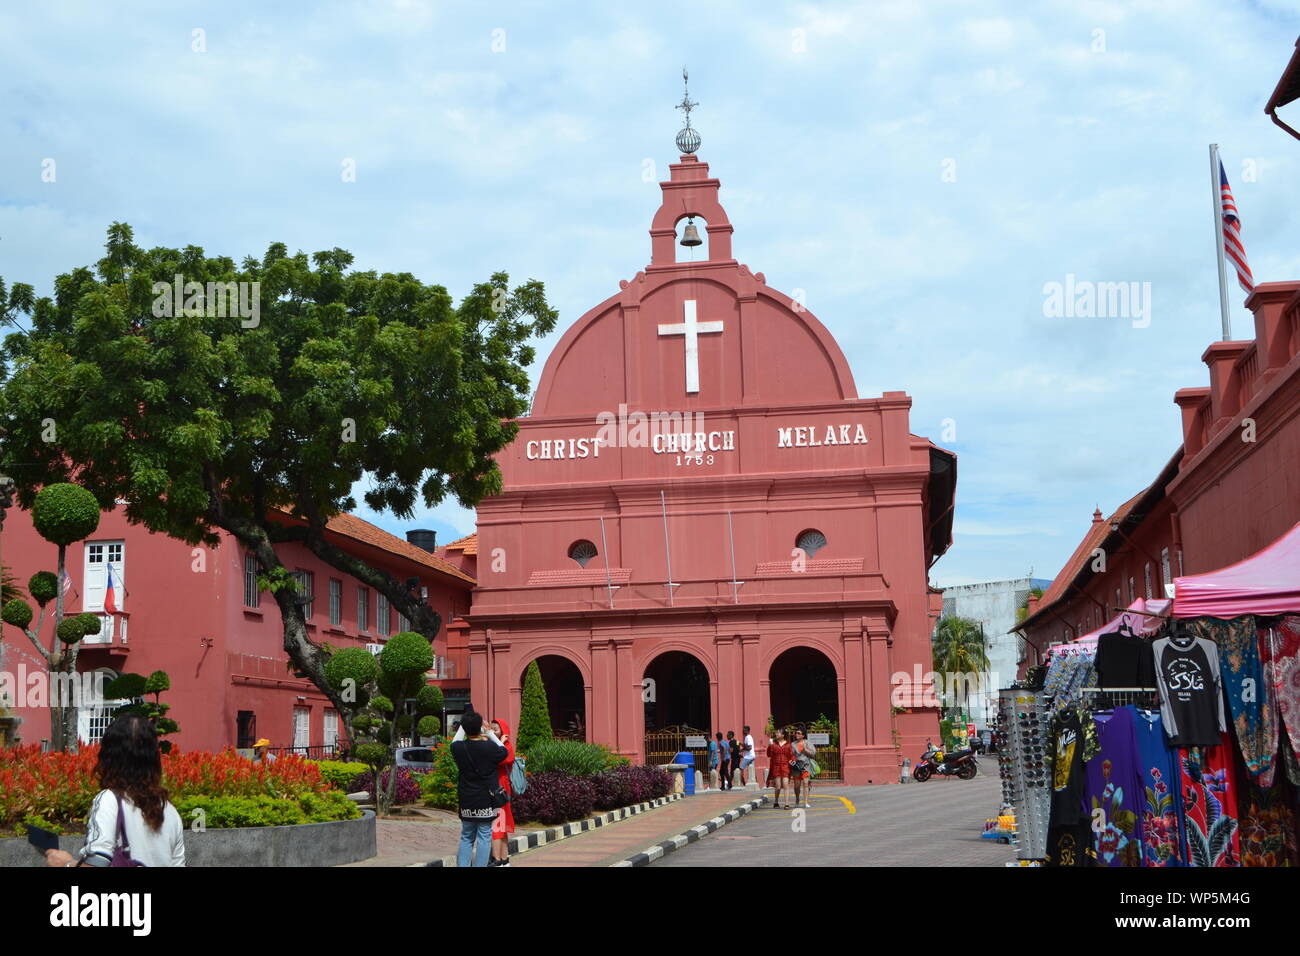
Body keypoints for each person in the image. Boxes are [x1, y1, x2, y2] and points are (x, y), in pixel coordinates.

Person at [46, 714, 185, 867]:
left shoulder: (109, 800)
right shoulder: (170, 812)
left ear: (108, 756)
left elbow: (96, 865)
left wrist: (65, 863)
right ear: (153, 759)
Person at [450, 712, 508, 868]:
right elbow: (504, 751)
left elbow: (455, 740)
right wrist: (490, 732)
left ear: (464, 728)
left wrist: (464, 726)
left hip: (466, 799)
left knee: (466, 836)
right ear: (480, 728)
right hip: (485, 799)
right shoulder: (489, 747)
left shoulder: (458, 748)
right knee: (484, 836)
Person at [489, 718, 515, 867]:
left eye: (496, 729)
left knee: (497, 826)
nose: (493, 732)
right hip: (497, 789)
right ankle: (504, 859)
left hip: (500, 790)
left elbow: (499, 759)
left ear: (504, 732)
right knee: (501, 826)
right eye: (491, 729)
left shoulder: (506, 747)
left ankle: (497, 860)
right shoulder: (498, 746)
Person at [765, 728, 793, 809]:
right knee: (777, 786)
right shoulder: (773, 744)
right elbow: (768, 755)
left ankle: (786, 804)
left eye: (778, 733)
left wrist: (792, 761)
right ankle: (776, 801)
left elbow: (791, 755)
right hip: (776, 767)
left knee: (785, 785)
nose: (777, 734)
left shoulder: (788, 745)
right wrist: (769, 746)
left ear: (783, 735)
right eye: (776, 733)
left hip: (785, 767)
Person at [790, 728, 817, 808]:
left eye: (798, 733)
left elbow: (813, 753)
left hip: (805, 766)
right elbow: (790, 754)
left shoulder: (808, 743)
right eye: (796, 733)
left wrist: (805, 750)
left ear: (803, 735)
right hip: (796, 766)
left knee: (805, 783)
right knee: (797, 786)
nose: (796, 734)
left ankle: (805, 802)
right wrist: (792, 758)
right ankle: (797, 800)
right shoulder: (793, 744)